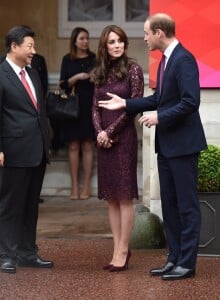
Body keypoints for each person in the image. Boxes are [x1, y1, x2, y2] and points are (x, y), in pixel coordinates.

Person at [98, 13, 207, 280]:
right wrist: (125, 104)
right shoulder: (166, 60)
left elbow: (191, 101)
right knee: (169, 205)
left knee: (186, 206)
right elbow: (159, 97)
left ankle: (187, 264)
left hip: (183, 146)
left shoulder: (184, 59)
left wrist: (160, 116)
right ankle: (174, 259)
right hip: (167, 146)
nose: (144, 38)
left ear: (159, 32)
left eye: (147, 33)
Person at [0, 26, 53, 273]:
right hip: (12, 151)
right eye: (29, 46)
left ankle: (27, 252)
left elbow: (38, 111)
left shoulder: (32, 74)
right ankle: (7, 254)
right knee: (10, 205)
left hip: (37, 151)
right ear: (14, 46)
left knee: (30, 205)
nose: (33, 51)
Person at [92, 25, 144, 272]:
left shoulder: (133, 69)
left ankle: (124, 250)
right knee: (110, 198)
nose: (116, 45)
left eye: (120, 41)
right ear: (104, 45)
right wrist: (100, 133)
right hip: (104, 142)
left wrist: (110, 132)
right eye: (112, 42)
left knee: (124, 197)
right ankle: (116, 249)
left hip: (124, 140)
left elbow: (133, 106)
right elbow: (94, 107)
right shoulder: (101, 72)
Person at [59, 27, 96, 200]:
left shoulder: (94, 58)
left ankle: (86, 186)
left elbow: (101, 80)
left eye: (87, 38)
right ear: (74, 41)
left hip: (90, 104)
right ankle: (74, 186)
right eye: (82, 38)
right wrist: (77, 77)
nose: (85, 41)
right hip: (72, 107)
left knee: (88, 145)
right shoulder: (67, 59)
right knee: (73, 146)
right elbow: (63, 85)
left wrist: (94, 76)